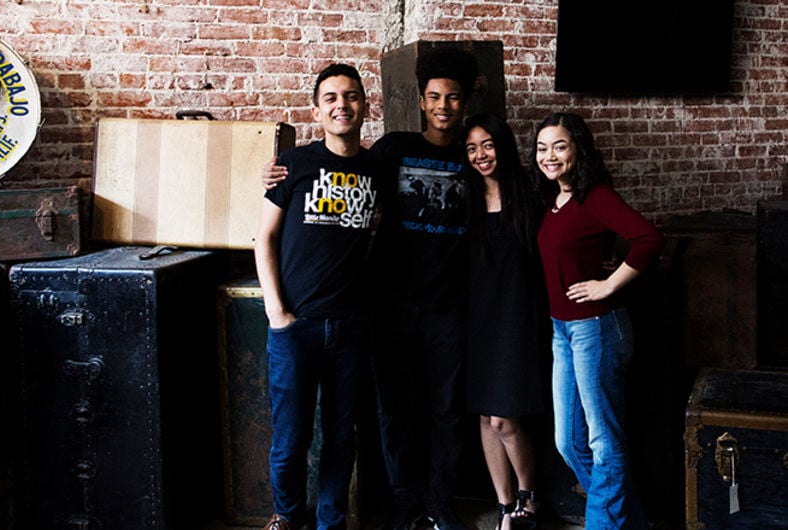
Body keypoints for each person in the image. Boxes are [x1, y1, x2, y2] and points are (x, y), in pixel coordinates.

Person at [263, 48, 478, 530]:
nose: (443, 106)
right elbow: (271, 230)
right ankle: (308, 515)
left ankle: (414, 507)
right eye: (434, 97)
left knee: (405, 421)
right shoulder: (338, 158)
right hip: (345, 314)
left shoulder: (435, 157)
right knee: (329, 428)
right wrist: (278, 313)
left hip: (404, 314)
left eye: (453, 98)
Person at [254, 63, 391, 530]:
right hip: (296, 327)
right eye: (330, 98)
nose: (341, 105)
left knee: (341, 437)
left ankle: (331, 523)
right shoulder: (293, 165)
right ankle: (288, 518)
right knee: (291, 439)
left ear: (365, 106)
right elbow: (264, 238)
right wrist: (276, 312)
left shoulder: (377, 168)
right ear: (316, 110)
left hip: (352, 326)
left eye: (351, 96)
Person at [531, 112, 664, 529]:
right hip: (562, 330)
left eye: (560, 146)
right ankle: (629, 522)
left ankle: (604, 524)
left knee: (603, 442)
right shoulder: (553, 200)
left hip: (596, 329)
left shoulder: (595, 196)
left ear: (578, 149)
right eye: (542, 148)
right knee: (568, 442)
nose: (549, 156)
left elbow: (649, 238)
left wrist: (608, 285)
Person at [462, 113, 547, 530]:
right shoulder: (465, 200)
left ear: (503, 146)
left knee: (503, 419)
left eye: (488, 145)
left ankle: (529, 497)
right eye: (471, 148)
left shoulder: (530, 198)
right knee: (484, 417)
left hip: (517, 320)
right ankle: (504, 505)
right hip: (477, 321)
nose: (480, 155)